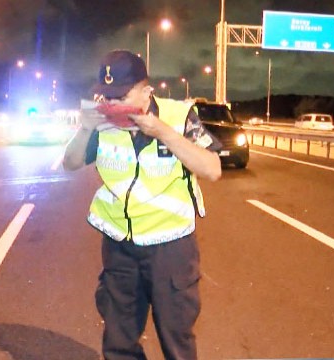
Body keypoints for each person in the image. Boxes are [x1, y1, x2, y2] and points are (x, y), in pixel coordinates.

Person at [63, 49, 222, 360]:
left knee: (176, 340)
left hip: (171, 247)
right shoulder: (101, 122)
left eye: (122, 95)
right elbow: (70, 162)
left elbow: (212, 168)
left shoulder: (179, 116)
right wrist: (85, 128)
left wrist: (161, 131)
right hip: (119, 244)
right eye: (107, 96)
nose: (114, 104)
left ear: (146, 90)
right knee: (118, 342)